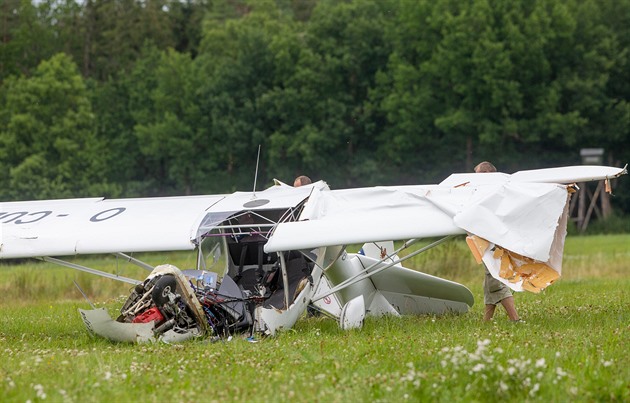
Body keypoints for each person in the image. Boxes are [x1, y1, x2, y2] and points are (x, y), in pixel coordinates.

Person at [474, 161, 521, 322]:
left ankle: (515, 319)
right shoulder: (491, 191)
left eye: (478, 174)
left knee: (495, 279)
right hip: (487, 239)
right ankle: (486, 322)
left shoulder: (494, 192)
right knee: (489, 281)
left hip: (494, 240)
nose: (475, 178)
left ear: (487, 174)